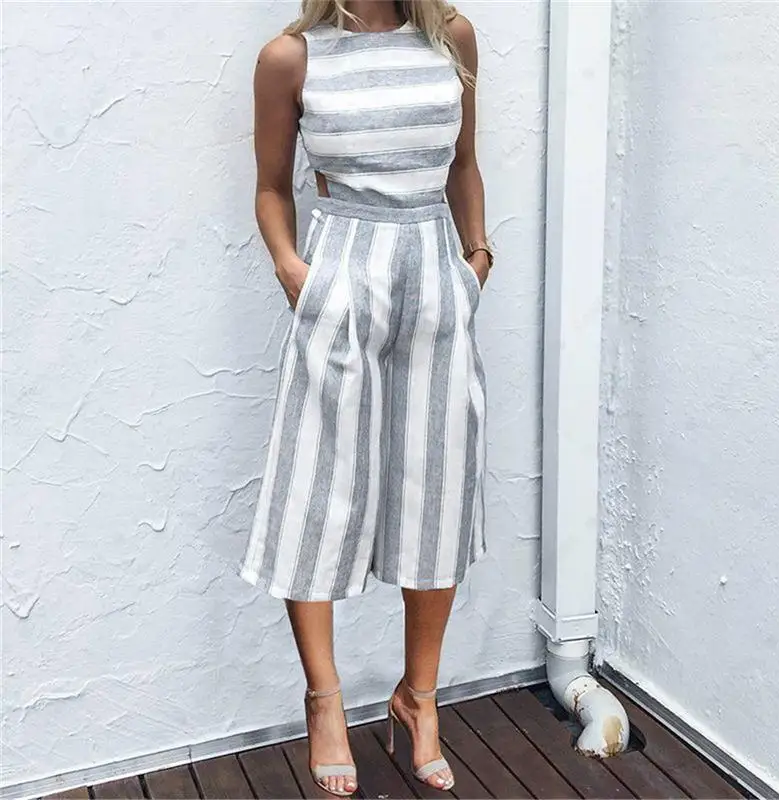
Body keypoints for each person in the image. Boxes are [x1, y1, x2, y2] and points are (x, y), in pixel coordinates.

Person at [239, 0, 492, 795]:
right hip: (343, 267)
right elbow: (271, 187)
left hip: (436, 274)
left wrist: (477, 259)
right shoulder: (292, 57)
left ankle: (420, 698)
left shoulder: (451, 37)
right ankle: (325, 700)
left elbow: (463, 163)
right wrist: (294, 273)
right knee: (317, 489)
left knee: (436, 487)